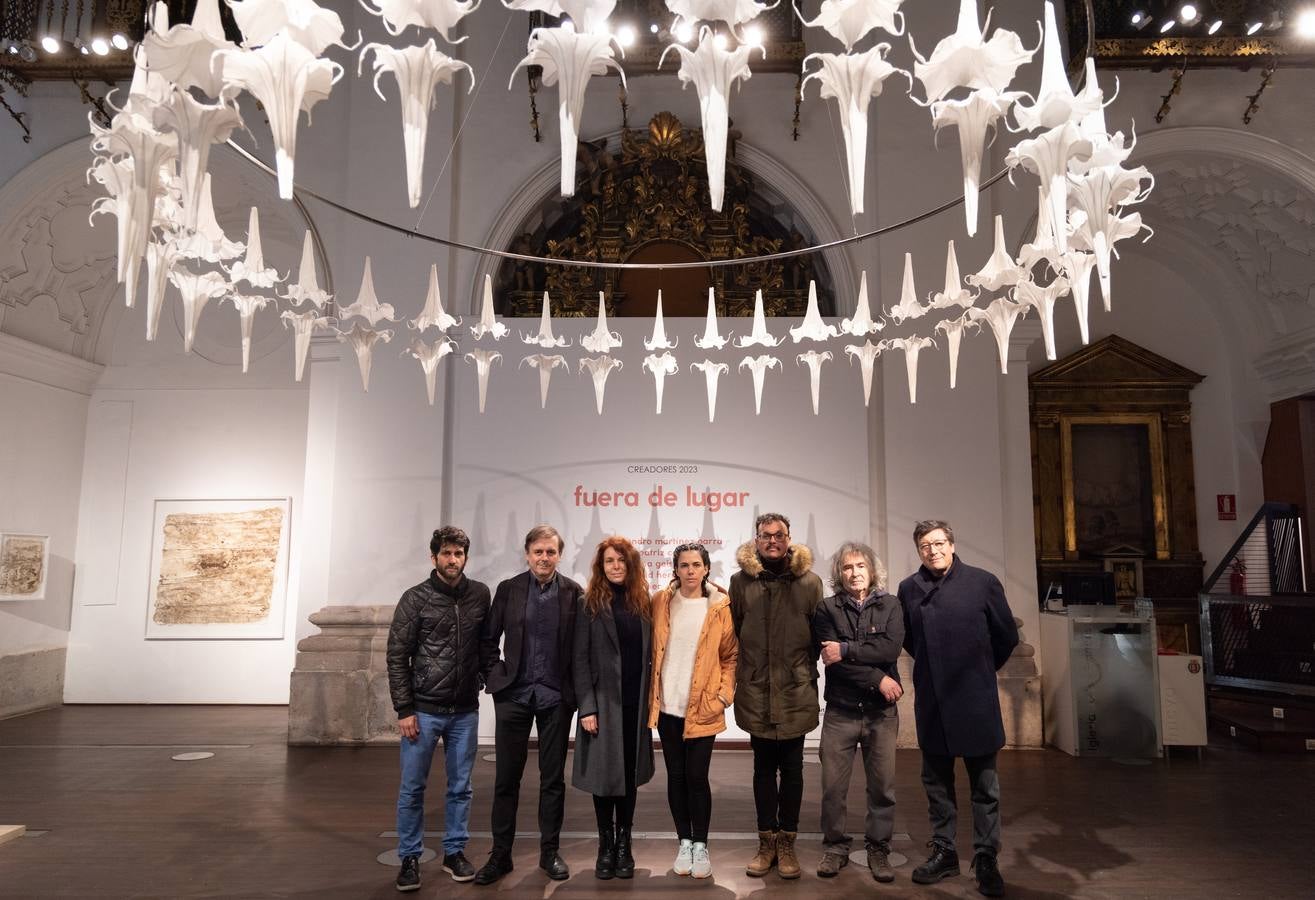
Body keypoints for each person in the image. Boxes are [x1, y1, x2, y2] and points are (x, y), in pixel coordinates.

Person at [898, 520, 1019, 898]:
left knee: (985, 787)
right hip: (933, 698)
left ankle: (986, 858)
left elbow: (1006, 636)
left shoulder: (983, 582)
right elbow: (910, 640)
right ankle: (945, 851)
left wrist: (981, 669)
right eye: (924, 546)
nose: (932, 551)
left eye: (938, 543)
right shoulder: (908, 589)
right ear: (919, 551)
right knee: (936, 783)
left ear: (951, 545)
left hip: (975, 698)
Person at [475, 525, 582, 885]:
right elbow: (488, 641)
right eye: (538, 551)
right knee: (507, 779)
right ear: (527, 553)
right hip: (515, 697)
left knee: (552, 780)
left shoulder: (573, 593)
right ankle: (500, 856)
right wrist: (497, 681)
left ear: (559, 555)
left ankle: (549, 853)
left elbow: (580, 651)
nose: (544, 558)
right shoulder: (509, 590)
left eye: (550, 552)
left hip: (555, 699)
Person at [386, 526, 491, 893]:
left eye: (459, 553)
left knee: (461, 787)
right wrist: (404, 709)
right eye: (446, 553)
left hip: (465, 711)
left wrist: (483, 679)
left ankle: (454, 852)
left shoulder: (480, 594)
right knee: (413, 788)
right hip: (424, 711)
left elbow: (484, 645)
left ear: (465, 557)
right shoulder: (414, 599)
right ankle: (410, 857)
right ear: (434, 557)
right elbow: (397, 657)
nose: (453, 559)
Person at [729, 512, 823, 880]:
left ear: (789, 539)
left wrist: (799, 669)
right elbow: (736, 629)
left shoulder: (810, 583)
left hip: (795, 689)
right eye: (766, 535)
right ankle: (766, 840)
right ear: (756, 540)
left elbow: (818, 635)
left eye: (779, 535)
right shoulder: (740, 582)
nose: (772, 541)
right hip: (756, 690)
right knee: (763, 770)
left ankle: (788, 842)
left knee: (795, 770)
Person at [813, 541, 904, 883]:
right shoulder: (827, 609)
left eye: (860, 566)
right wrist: (879, 676)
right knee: (832, 789)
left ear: (872, 571)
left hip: (881, 714)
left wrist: (848, 649)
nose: (854, 573)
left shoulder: (892, 605)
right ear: (839, 574)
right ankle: (835, 847)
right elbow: (833, 662)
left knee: (883, 788)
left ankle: (878, 849)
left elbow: (890, 647)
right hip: (841, 712)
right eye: (848, 568)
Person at [649, 542, 738, 880]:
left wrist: (723, 696)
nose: (689, 570)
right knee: (676, 777)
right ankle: (683, 841)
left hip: (703, 707)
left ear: (705, 569)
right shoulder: (661, 602)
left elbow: (731, 656)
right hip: (668, 706)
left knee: (697, 777)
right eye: (683, 565)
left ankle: (701, 845)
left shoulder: (719, 606)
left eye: (696, 564)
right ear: (676, 569)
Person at [572, 537, 655, 880]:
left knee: (629, 778)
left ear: (631, 564)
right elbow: (579, 659)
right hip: (603, 705)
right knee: (604, 777)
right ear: (601, 566)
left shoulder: (644, 603)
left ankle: (625, 842)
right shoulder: (588, 603)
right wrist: (587, 707)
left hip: (635, 705)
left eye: (621, 560)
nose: (616, 566)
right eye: (609, 561)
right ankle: (605, 844)